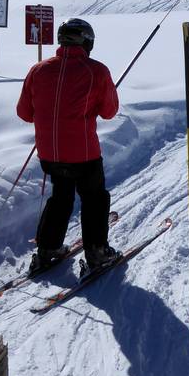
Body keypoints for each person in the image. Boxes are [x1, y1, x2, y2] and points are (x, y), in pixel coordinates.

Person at [16, 18, 120, 273]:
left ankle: (48, 248)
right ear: (87, 42)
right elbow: (109, 112)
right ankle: (97, 252)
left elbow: (24, 113)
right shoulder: (97, 71)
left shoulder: (38, 70)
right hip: (84, 154)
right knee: (94, 199)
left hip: (50, 154)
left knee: (61, 198)